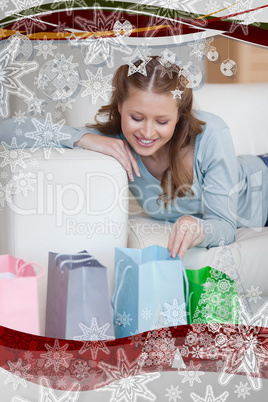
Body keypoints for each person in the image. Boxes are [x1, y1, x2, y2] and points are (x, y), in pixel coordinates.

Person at [0, 56, 267, 260]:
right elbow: (7, 131)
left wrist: (197, 228)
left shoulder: (211, 134)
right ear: (120, 106)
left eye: (162, 121)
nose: (147, 132)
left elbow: (225, 227)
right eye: (136, 118)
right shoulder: (115, 140)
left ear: (180, 116)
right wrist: (82, 138)